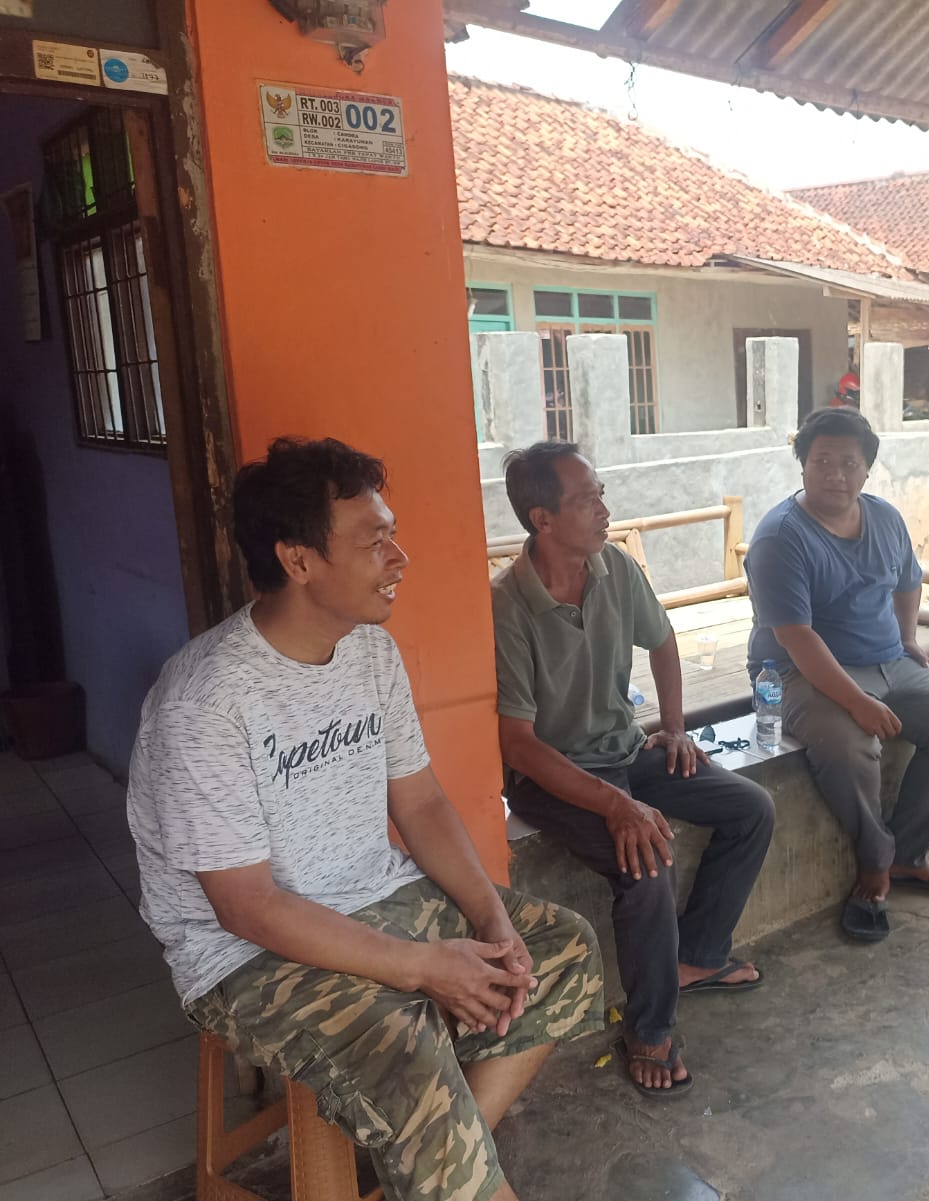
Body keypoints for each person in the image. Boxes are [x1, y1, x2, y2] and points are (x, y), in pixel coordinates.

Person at [127, 438, 603, 1201]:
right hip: (244, 955)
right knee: (406, 1041)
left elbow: (420, 802)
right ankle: (454, 1175)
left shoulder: (370, 652)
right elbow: (246, 905)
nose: (399, 557)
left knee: (559, 948)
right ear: (298, 559)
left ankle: (445, 1169)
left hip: (378, 895)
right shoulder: (204, 702)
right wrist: (420, 966)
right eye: (374, 540)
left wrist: (491, 916)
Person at [493, 442, 775, 1100]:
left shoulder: (614, 566)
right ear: (542, 518)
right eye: (586, 499)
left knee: (750, 808)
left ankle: (697, 956)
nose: (604, 510)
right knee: (647, 865)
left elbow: (664, 640)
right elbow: (519, 745)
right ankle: (648, 1029)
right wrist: (616, 806)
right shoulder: (507, 605)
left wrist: (674, 728)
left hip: (627, 751)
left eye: (601, 494)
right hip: (553, 777)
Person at [744, 408, 929, 943]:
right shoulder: (780, 539)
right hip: (797, 671)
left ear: (867, 469)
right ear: (803, 466)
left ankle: (909, 855)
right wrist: (857, 702)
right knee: (849, 744)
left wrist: (907, 639)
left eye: (848, 463)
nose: (834, 474)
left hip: (888, 658)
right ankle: (875, 864)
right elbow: (796, 638)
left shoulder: (884, 518)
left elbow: (907, 582)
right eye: (821, 461)